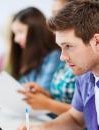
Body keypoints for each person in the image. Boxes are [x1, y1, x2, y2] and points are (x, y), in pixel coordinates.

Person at [18, 0, 99, 130]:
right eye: (61, 47)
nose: (62, 57)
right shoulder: (85, 76)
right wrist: (41, 128)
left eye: (68, 46)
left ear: (97, 42)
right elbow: (75, 119)